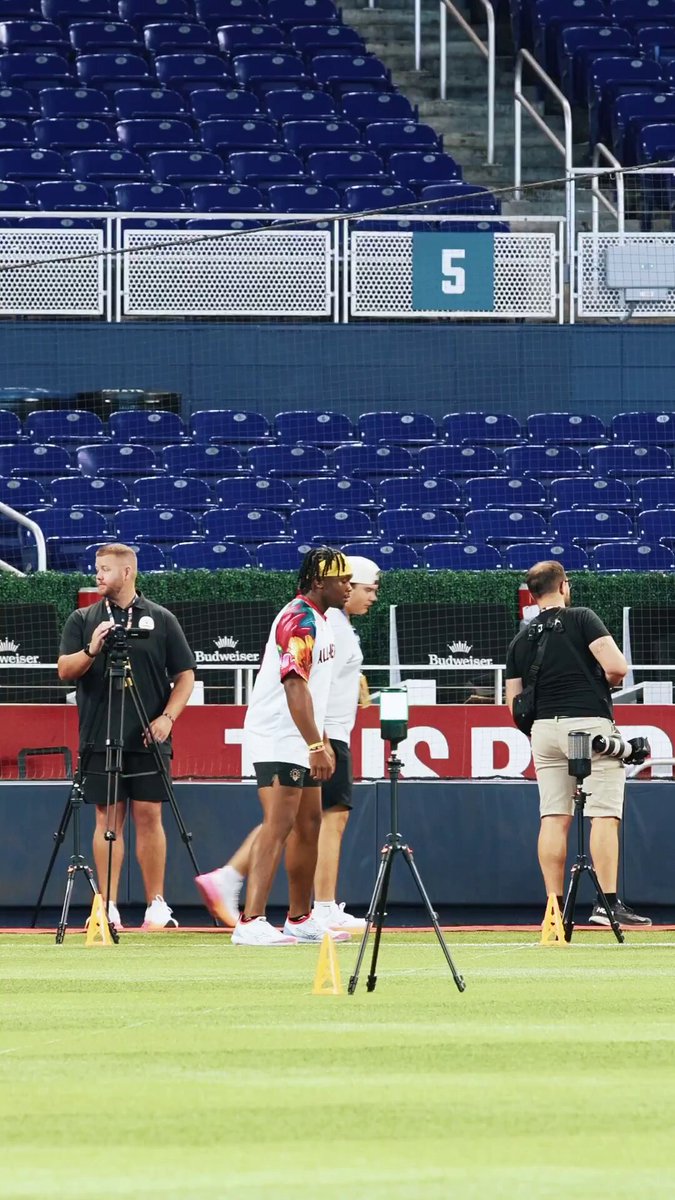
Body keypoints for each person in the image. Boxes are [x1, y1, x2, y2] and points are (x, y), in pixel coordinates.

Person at [195, 555, 380, 934]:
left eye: (350, 580)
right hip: (278, 734)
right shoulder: (299, 619)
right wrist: (315, 744)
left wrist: (320, 739)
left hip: (303, 735)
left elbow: (317, 690)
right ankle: (251, 920)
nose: (348, 586)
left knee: (309, 825)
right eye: (341, 580)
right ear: (318, 582)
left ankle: (300, 918)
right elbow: (294, 685)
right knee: (277, 824)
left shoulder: (324, 620)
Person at [505, 560, 651, 929]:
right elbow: (617, 668)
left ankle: (554, 910)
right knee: (603, 813)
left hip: (543, 731)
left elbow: (513, 703)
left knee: (554, 816)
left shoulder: (520, 639)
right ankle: (607, 903)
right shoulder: (582, 617)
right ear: (564, 586)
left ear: (533, 594)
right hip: (588, 725)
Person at [58, 543, 196, 931]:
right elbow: (65, 670)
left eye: (105, 569)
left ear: (127, 572)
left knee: (150, 815)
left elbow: (185, 675)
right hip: (99, 735)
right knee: (108, 817)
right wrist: (92, 649)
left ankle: (156, 905)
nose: (98, 575)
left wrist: (168, 717)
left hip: (150, 736)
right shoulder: (83, 618)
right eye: (97, 568)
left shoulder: (161, 619)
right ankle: (107, 905)